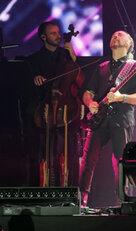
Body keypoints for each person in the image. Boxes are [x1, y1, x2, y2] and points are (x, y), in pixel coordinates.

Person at [79, 30, 136, 207]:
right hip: (99, 119)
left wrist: (121, 98)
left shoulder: (135, 67)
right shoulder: (101, 67)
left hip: (122, 118)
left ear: (129, 43)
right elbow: (88, 93)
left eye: (120, 35)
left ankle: (122, 200)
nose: (115, 36)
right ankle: (82, 200)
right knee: (87, 159)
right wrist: (90, 103)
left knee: (120, 161)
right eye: (113, 35)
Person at [26, 21, 79, 186]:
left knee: (66, 148)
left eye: (58, 33)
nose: (58, 36)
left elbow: (79, 78)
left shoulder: (66, 54)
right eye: (53, 34)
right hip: (45, 108)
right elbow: (29, 87)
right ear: (43, 37)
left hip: (65, 108)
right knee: (42, 148)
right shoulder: (33, 60)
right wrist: (36, 79)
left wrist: (74, 58)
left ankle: (66, 184)